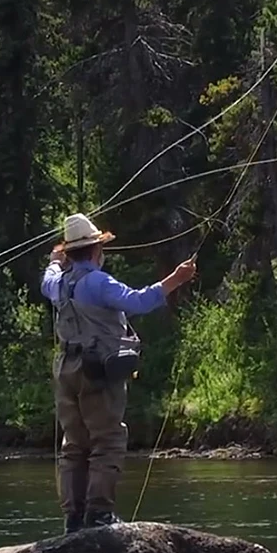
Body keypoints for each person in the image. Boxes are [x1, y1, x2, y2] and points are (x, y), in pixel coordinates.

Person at [40, 213, 197, 533]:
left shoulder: (57, 282)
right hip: (97, 371)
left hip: (66, 370)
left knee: (74, 444)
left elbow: (48, 278)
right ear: (97, 251)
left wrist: (55, 262)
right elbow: (138, 302)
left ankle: (74, 519)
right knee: (107, 440)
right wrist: (176, 280)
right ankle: (98, 514)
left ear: (70, 253)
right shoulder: (98, 282)